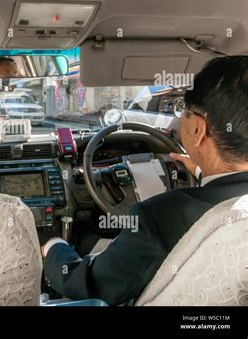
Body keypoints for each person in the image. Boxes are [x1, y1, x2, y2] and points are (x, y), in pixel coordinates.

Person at [42, 56, 248, 305]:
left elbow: (90, 286)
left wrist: (53, 247)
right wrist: (206, 173)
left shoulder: (159, 217)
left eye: (183, 110)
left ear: (197, 129)